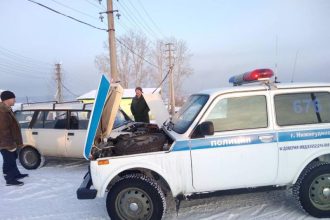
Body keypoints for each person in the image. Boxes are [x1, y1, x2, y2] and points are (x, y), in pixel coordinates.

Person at [0, 91, 28, 186]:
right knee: (8, 161)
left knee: (12, 159)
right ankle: (9, 179)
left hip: (11, 141)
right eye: (13, 98)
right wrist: (9, 144)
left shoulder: (7, 109)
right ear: (7, 99)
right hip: (6, 143)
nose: (15, 100)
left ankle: (16, 174)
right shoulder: (2, 111)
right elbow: (3, 130)